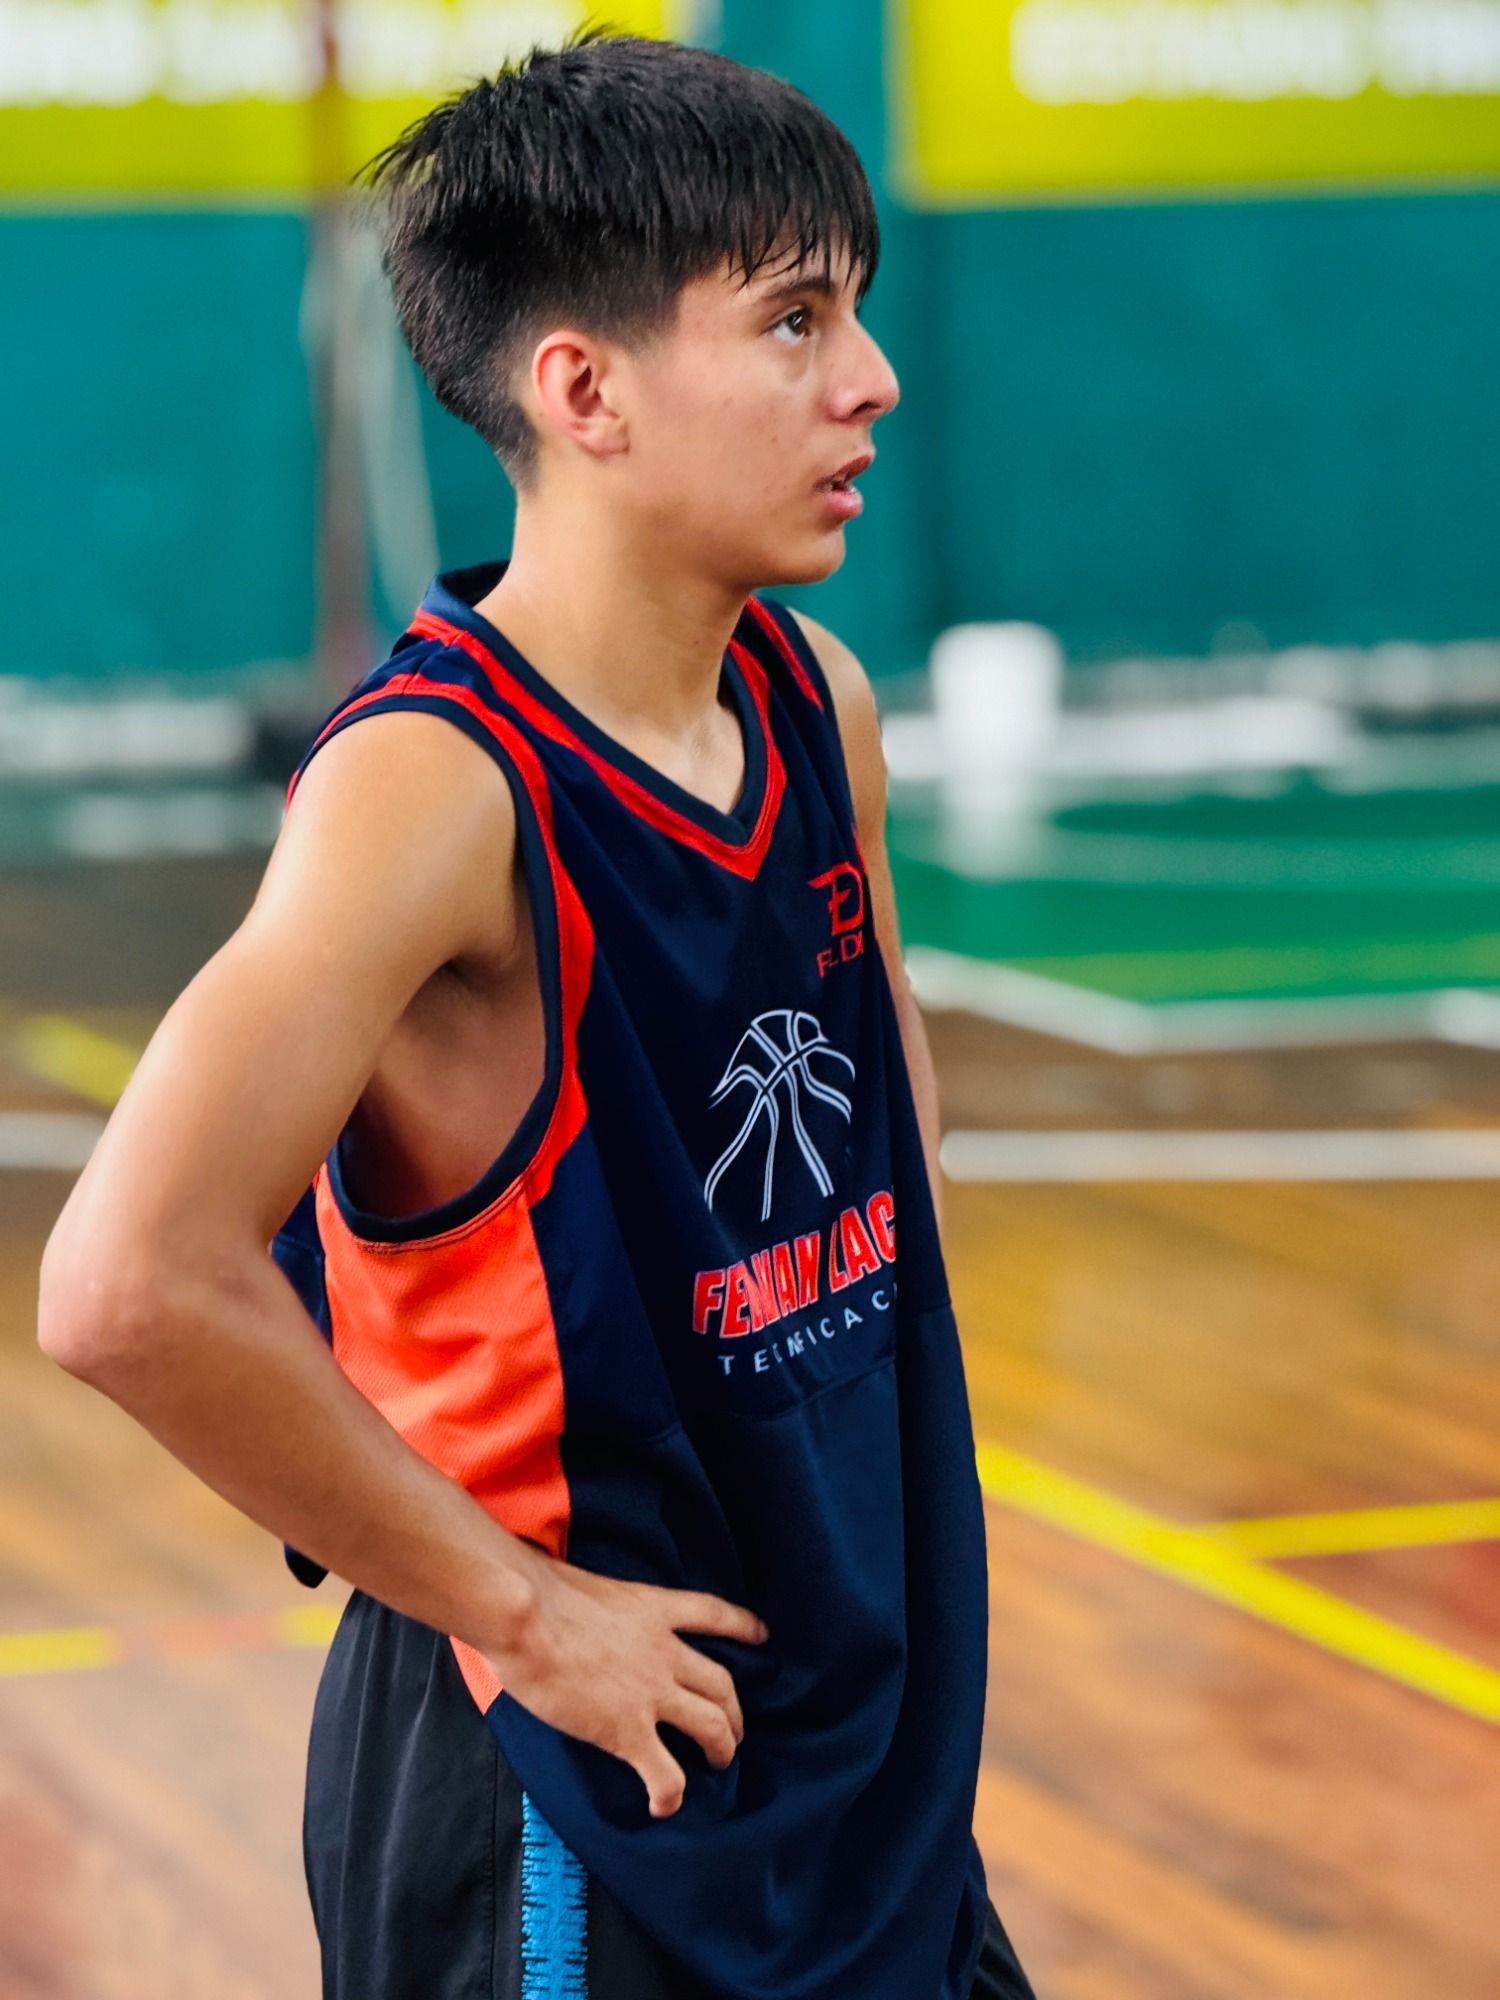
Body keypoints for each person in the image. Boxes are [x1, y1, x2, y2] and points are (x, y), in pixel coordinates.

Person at [38, 30, 1036, 2000]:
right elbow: (125, 1284)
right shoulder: (434, 790)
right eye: (793, 321)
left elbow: (881, 1096)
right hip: (566, 1773)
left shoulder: (814, 702)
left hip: (843, 1731)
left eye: (855, 312)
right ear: (583, 390)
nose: (869, 380)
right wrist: (524, 1609)